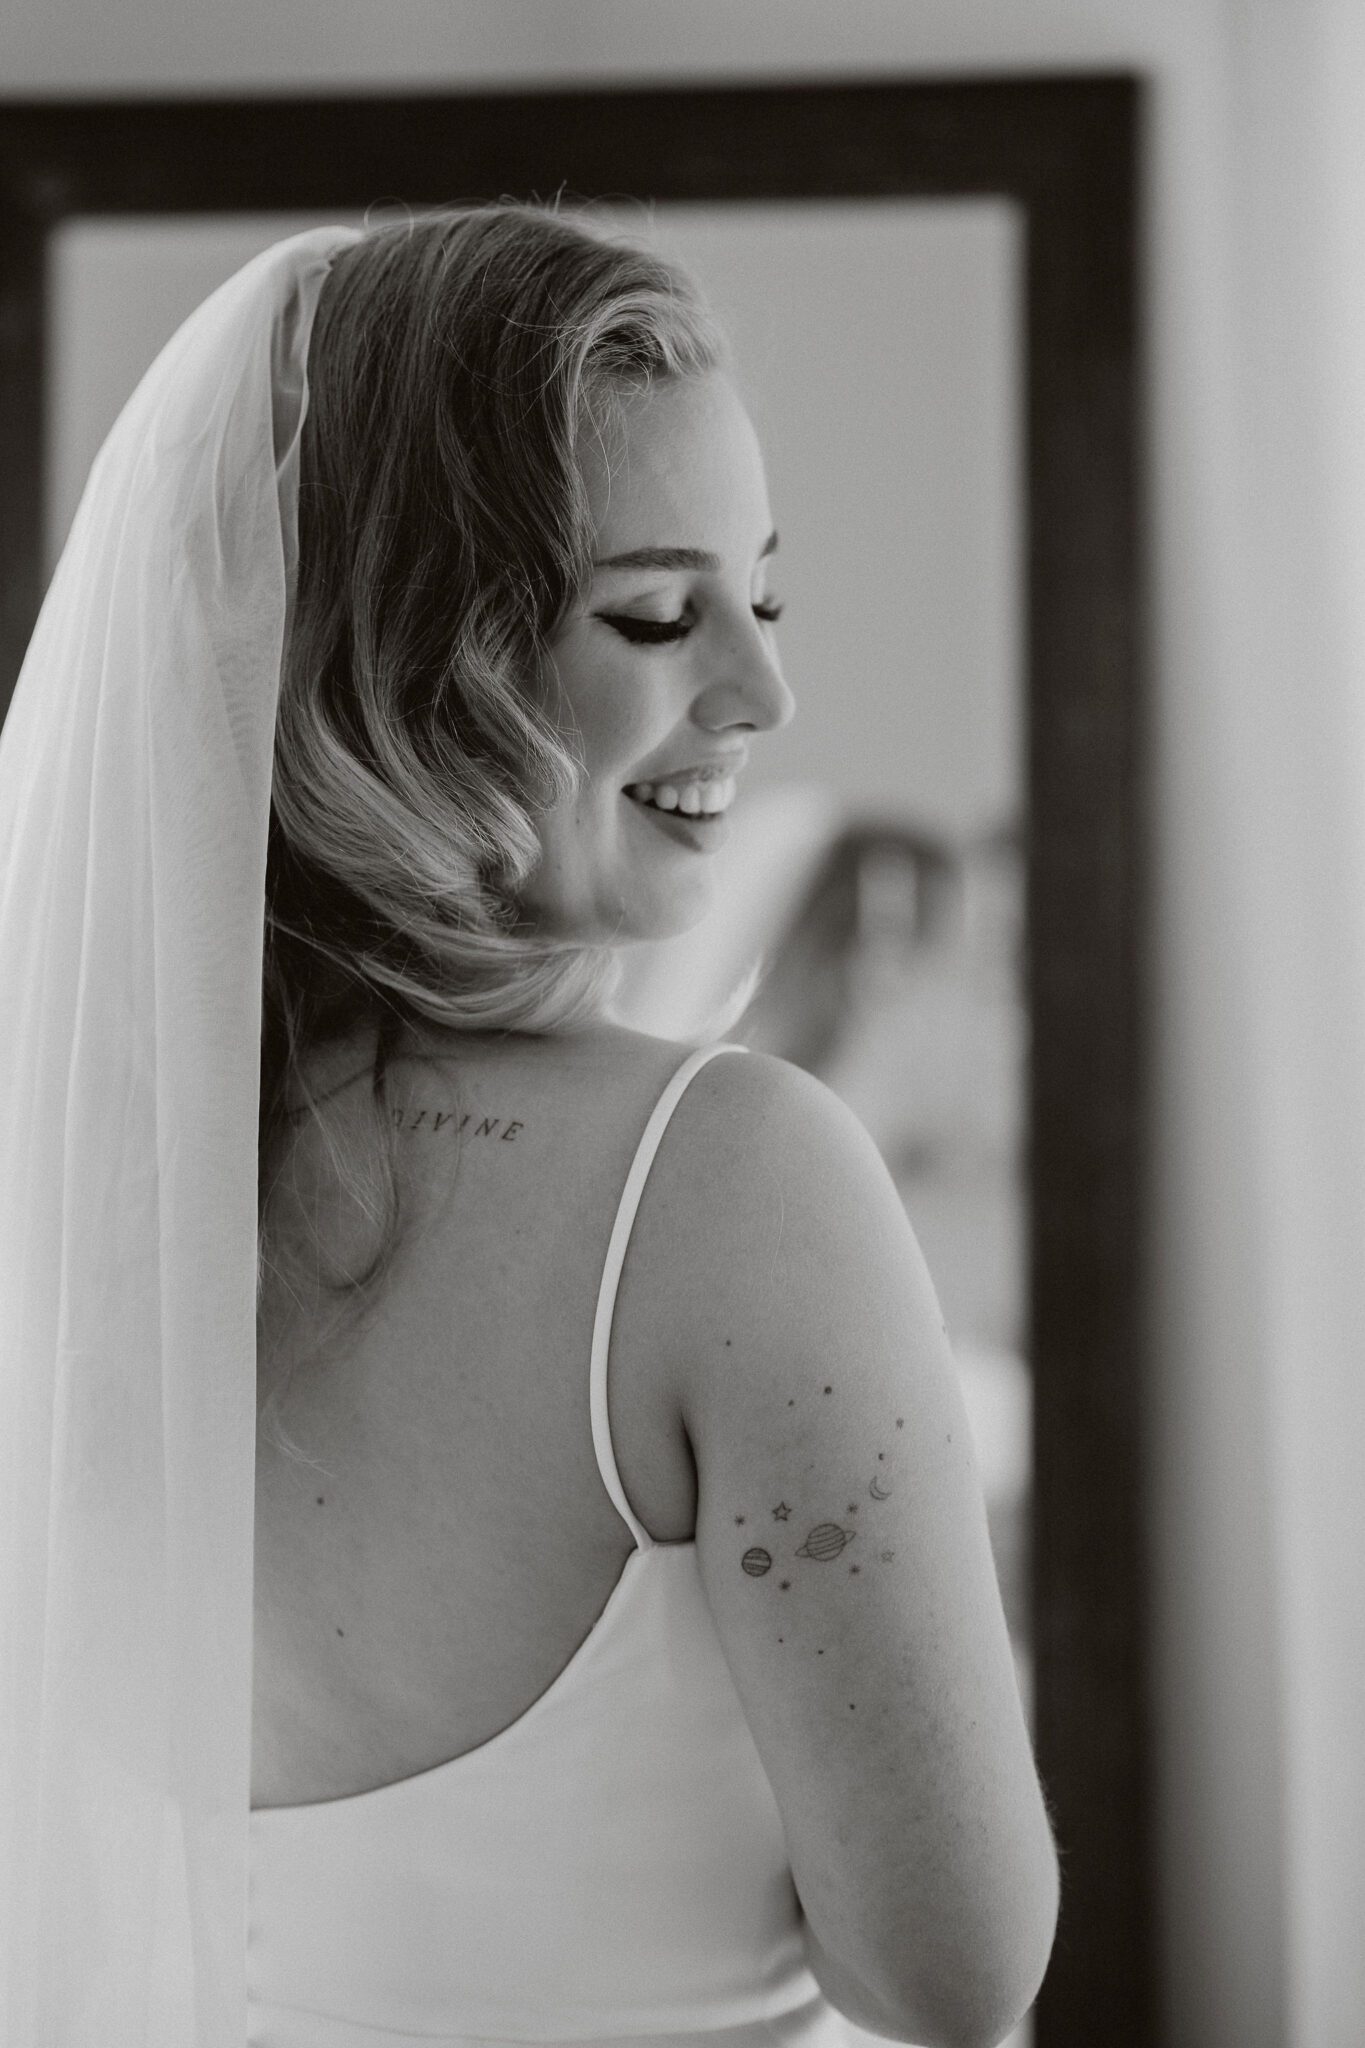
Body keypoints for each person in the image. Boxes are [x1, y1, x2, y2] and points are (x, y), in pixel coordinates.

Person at [0, 204, 1058, 2048]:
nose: (761, 689)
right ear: (403, 661)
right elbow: (949, 1973)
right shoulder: (726, 1185)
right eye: (655, 611)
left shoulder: (68, 1202)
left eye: (764, 592)